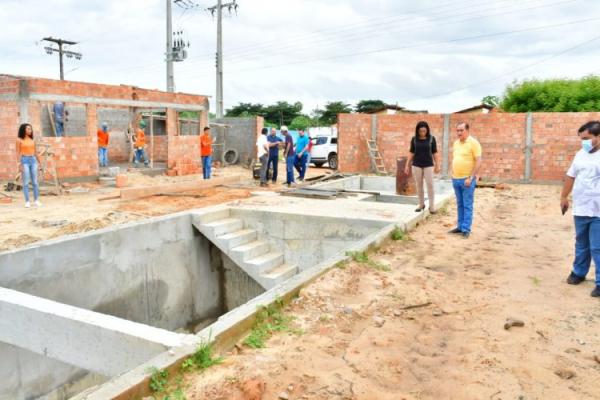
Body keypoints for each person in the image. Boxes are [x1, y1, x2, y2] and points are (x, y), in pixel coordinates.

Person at [561, 121, 600, 298]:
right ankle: (579, 273)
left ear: (598, 137)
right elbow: (571, 176)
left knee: (597, 247)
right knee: (581, 244)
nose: (583, 142)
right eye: (581, 139)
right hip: (581, 207)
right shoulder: (580, 154)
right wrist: (564, 197)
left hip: (598, 211)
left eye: (587, 138)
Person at [448, 122, 482, 239]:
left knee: (467, 205)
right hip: (456, 179)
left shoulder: (474, 143)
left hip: (467, 180)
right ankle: (460, 226)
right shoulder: (456, 143)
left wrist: (471, 177)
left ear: (467, 130)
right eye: (457, 130)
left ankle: (466, 229)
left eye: (461, 130)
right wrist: (451, 172)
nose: (459, 133)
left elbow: (478, 161)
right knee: (460, 204)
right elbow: (455, 159)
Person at [404, 121, 440, 213]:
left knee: (430, 185)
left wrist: (437, 165)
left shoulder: (432, 139)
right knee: (419, 185)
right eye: (421, 131)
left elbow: (435, 152)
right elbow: (411, 152)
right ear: (417, 131)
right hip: (416, 165)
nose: (423, 133)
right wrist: (407, 165)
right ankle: (421, 204)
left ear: (427, 130)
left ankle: (432, 207)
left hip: (428, 165)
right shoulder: (414, 139)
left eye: (424, 131)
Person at [16, 123, 42, 208]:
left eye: (30, 129)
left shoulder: (33, 140)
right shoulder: (19, 140)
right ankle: (27, 201)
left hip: (33, 160)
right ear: (24, 130)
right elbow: (17, 153)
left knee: (35, 182)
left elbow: (36, 153)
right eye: (28, 129)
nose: (30, 130)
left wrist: (40, 163)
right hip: (24, 160)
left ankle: (36, 200)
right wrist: (19, 164)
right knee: (26, 182)